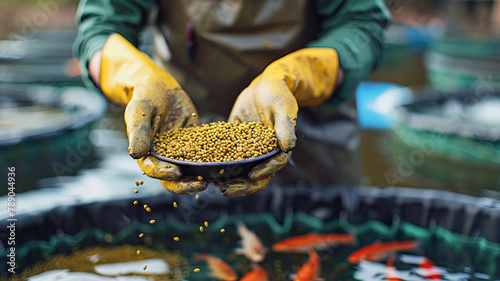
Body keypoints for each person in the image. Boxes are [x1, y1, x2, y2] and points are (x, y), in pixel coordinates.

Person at [74, 0, 390, 197]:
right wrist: (135, 79)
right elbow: (100, 29)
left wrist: (294, 76)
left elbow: (361, 25)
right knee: (202, 257)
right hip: (185, 131)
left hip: (313, 141)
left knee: (321, 255)